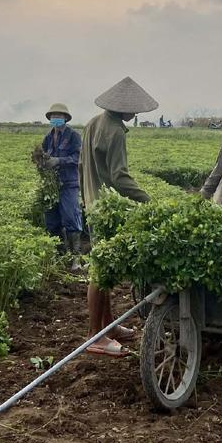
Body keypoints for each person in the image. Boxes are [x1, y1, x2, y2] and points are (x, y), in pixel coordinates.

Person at [80, 76, 157, 357]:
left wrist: (86, 198)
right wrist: (148, 200)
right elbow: (119, 176)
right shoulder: (113, 131)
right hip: (105, 208)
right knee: (100, 271)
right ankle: (94, 337)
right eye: (134, 109)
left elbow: (82, 165)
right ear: (123, 107)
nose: (135, 114)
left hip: (92, 202)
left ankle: (109, 326)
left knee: (106, 267)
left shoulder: (92, 123)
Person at [41, 103, 84, 267]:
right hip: (52, 185)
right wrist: (42, 162)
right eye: (53, 116)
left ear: (65, 118)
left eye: (58, 116)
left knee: (70, 218)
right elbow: (44, 155)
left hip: (69, 183)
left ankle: (76, 258)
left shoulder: (73, 136)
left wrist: (59, 160)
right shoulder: (48, 137)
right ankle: (60, 254)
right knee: (51, 220)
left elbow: (78, 157)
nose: (55, 119)